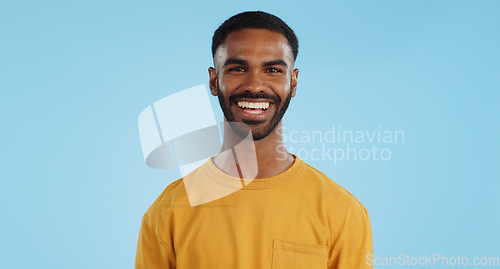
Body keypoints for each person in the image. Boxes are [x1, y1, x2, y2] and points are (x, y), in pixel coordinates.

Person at [135, 11, 373, 269]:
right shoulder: (167, 213)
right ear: (214, 80)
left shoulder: (343, 213)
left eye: (272, 69)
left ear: (293, 82)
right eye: (238, 68)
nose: (255, 85)